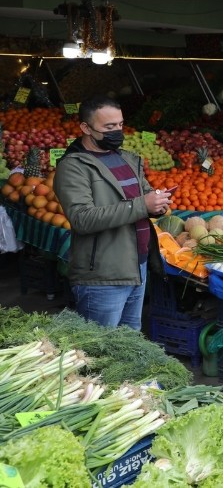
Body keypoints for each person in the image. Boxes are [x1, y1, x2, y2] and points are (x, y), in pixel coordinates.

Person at [53, 96, 169, 330]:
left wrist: (158, 203)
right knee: (99, 348)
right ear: (86, 128)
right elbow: (82, 218)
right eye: (109, 127)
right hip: (103, 275)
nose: (117, 132)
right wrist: (142, 206)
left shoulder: (126, 158)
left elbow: (144, 193)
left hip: (138, 265)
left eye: (120, 125)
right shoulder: (73, 167)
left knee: (129, 340)